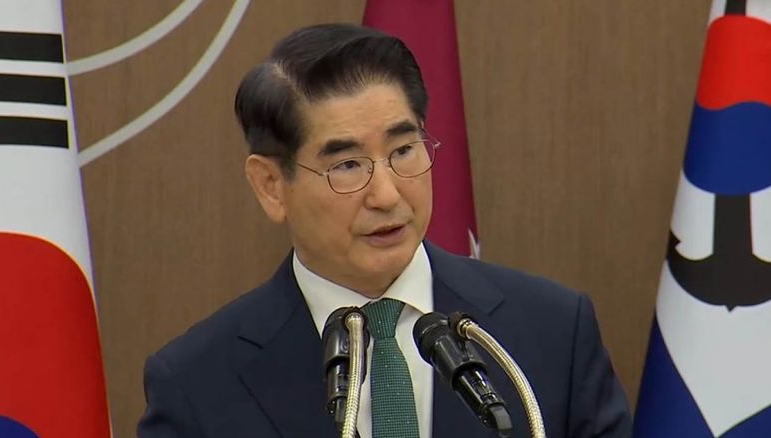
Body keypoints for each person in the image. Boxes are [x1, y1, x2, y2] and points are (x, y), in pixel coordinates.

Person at [137, 23, 632, 437]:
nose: (388, 195)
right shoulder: (196, 384)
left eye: (403, 151)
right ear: (271, 186)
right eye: (347, 165)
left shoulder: (552, 333)